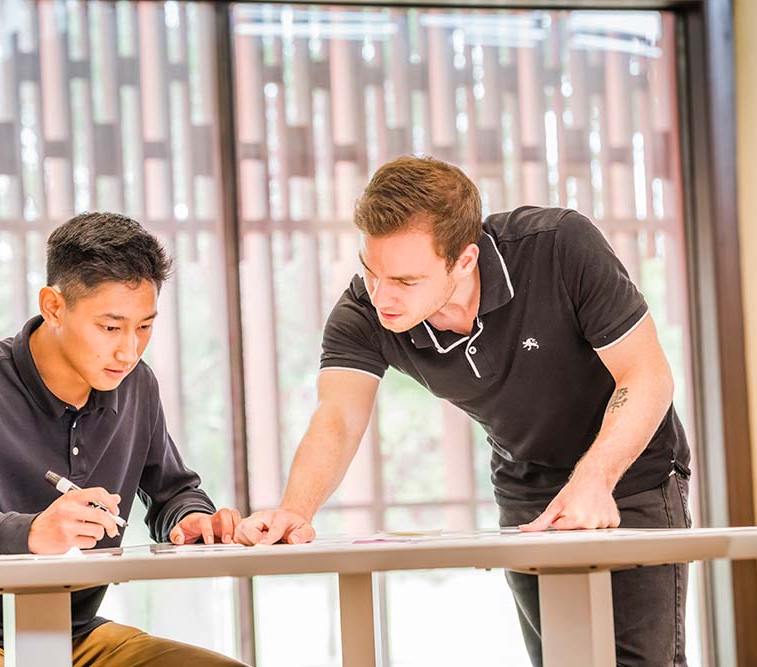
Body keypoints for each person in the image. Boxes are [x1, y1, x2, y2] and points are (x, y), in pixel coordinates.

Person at [236, 156, 691, 666]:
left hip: (631, 473)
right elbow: (338, 417)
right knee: (566, 660)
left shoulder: (559, 247)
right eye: (371, 271)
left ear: (465, 260)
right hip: (527, 487)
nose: (382, 296)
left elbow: (647, 375)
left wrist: (595, 479)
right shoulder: (364, 312)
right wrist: (295, 511)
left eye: (406, 280)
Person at [0, 212, 246, 667]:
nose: (129, 351)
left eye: (145, 327)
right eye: (111, 328)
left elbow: (174, 492)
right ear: (54, 307)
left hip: (73, 633)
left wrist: (192, 519)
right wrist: (32, 531)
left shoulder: (135, 385)